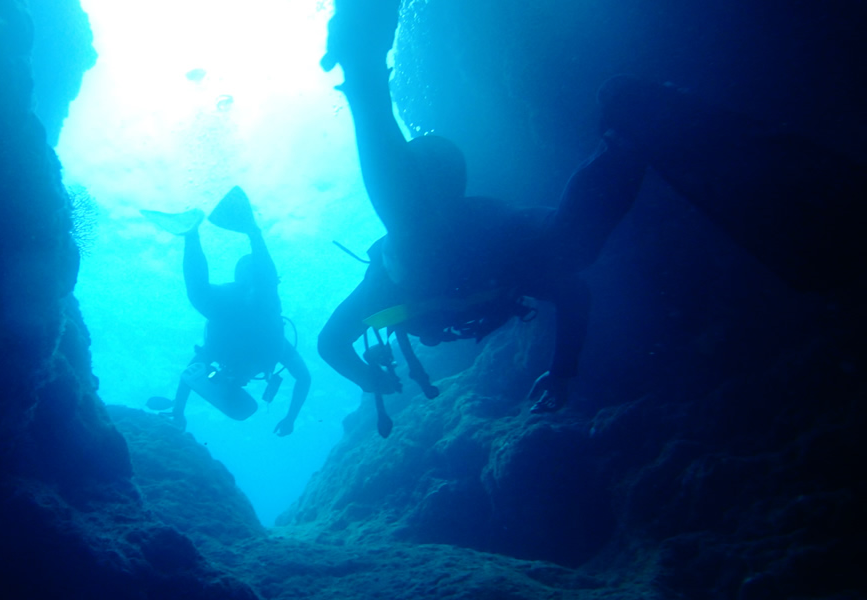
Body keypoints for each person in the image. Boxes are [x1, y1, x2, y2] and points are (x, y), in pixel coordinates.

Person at [317, 1, 865, 415]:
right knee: (560, 244)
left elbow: (331, 342)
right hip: (510, 248)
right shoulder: (443, 240)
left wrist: (369, 378)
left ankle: (365, 72)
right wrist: (563, 371)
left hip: (490, 248)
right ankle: (627, 134)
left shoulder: (396, 271)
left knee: (421, 242)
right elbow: (570, 288)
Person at [144, 186, 312, 436]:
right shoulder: (275, 349)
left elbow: (189, 375)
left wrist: (179, 410)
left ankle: (191, 233)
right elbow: (304, 378)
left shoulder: (220, 352)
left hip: (230, 304)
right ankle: (251, 232)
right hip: (250, 305)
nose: (241, 378)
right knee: (257, 294)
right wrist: (290, 418)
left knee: (200, 294)